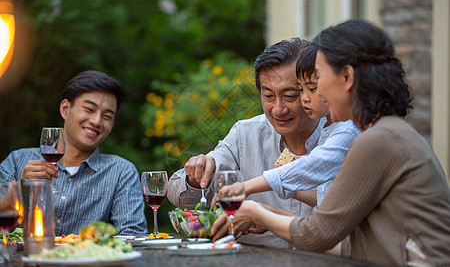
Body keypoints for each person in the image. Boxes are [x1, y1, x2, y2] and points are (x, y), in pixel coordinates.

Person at [220, 19, 450, 266]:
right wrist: (273, 216)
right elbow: (349, 241)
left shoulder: (378, 140)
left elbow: (317, 235)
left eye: (317, 79)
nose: (312, 95)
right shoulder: (386, 132)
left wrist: (257, 211)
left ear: (347, 77)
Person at [167, 38, 326, 248]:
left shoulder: (340, 138)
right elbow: (180, 197)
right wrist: (196, 178)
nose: (278, 109)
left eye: (290, 96)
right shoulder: (246, 134)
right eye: (268, 96)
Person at [215, 43, 360, 212]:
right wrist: (288, 194)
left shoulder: (348, 128)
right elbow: (326, 200)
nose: (305, 98)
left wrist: (246, 187)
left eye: (311, 89)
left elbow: (314, 165)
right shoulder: (331, 127)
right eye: (301, 90)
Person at [0, 70, 147, 236]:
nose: (96, 121)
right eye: (89, 109)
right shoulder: (17, 161)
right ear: (65, 109)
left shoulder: (121, 172)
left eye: (107, 116)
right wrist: (20, 191)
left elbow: (133, 236)